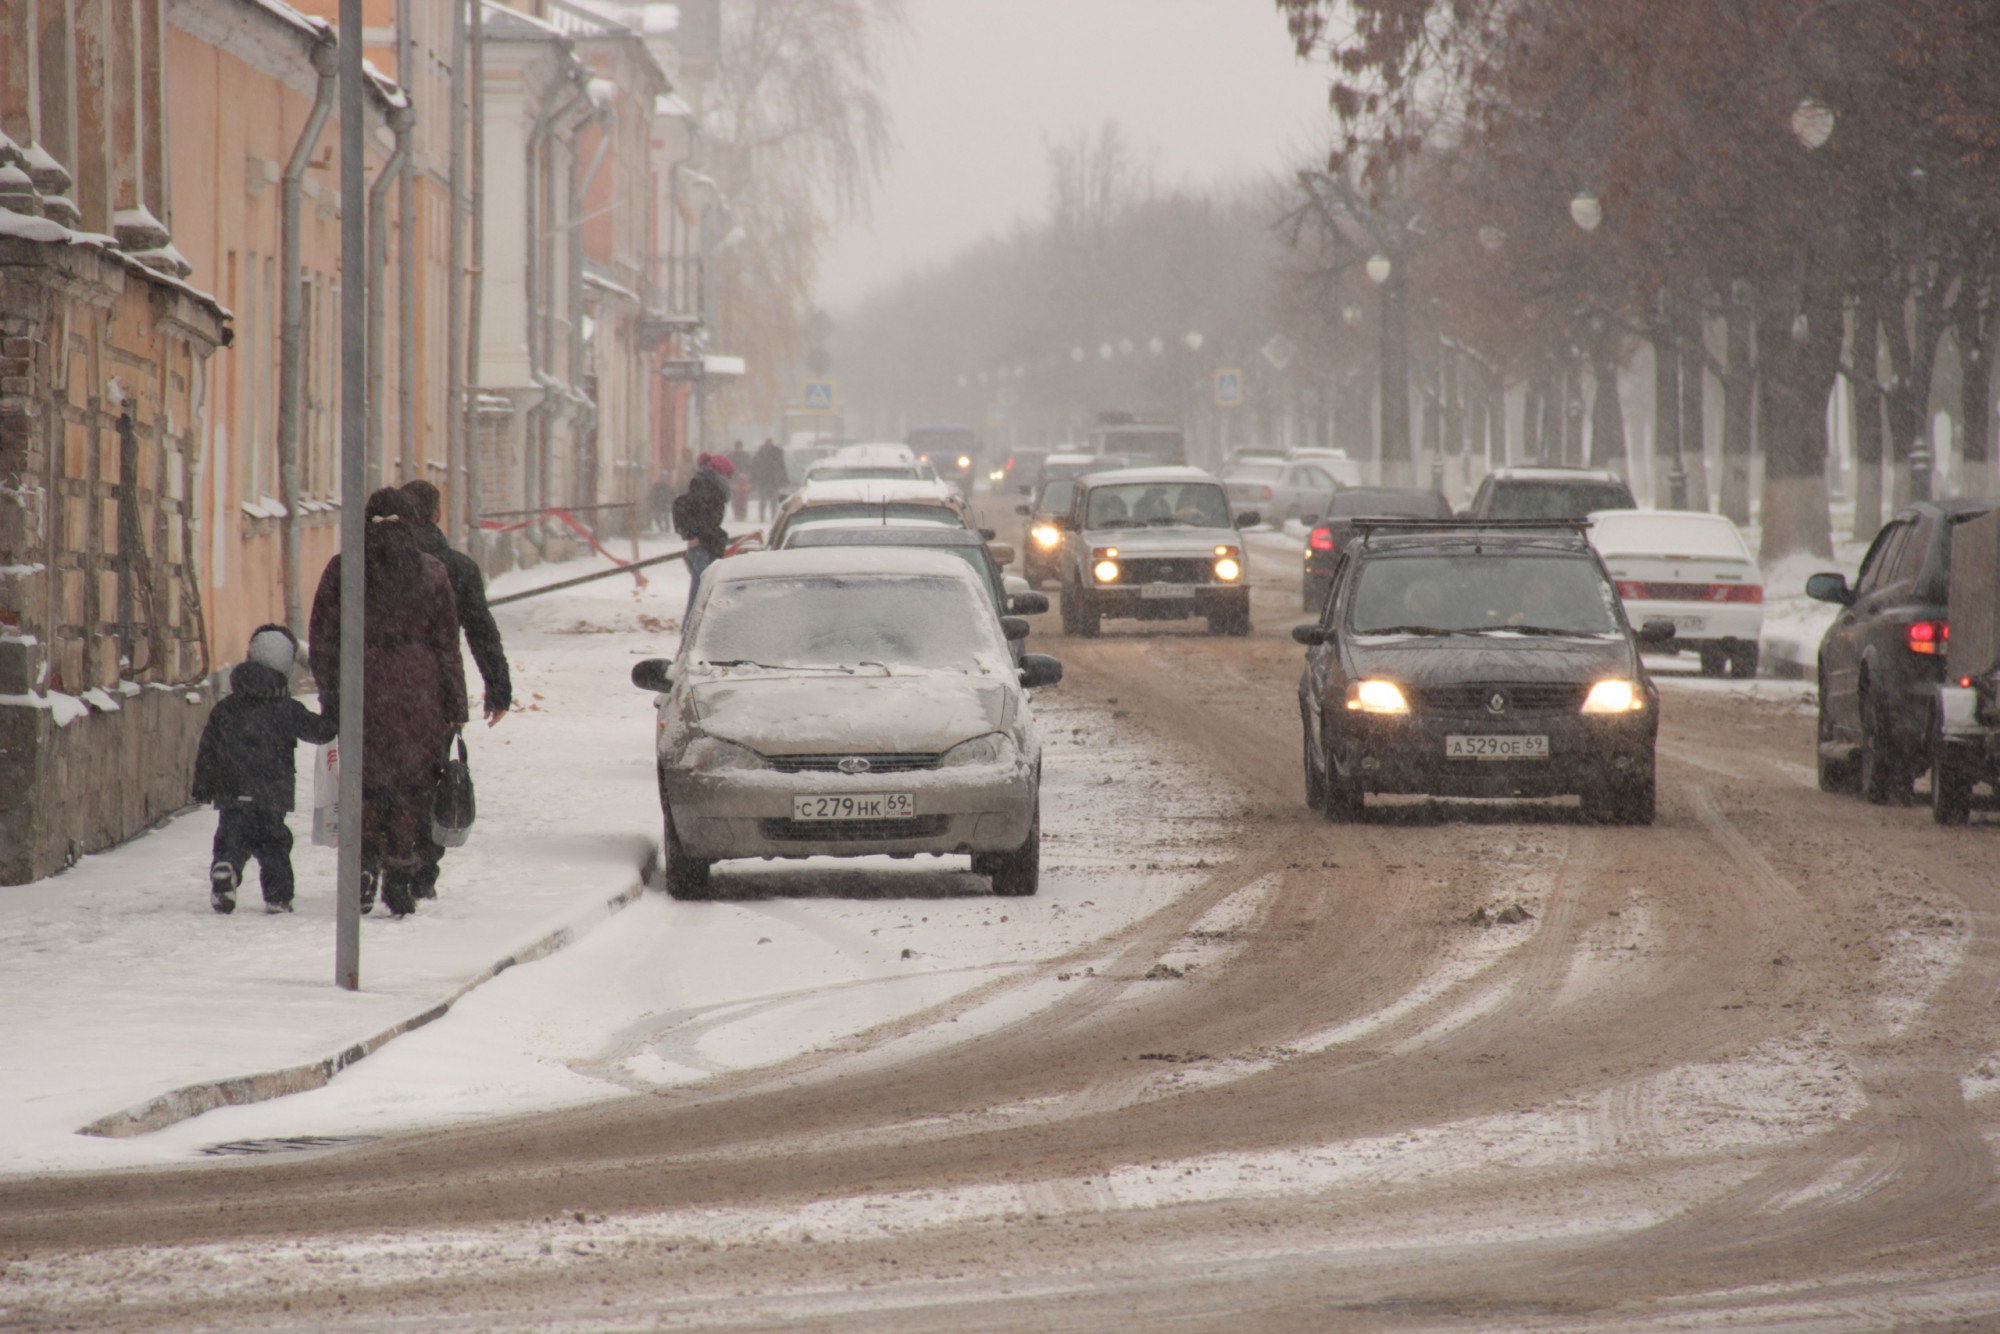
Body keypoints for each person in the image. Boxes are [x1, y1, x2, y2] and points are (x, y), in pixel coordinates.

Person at [308, 488, 469, 918]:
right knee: (412, 788)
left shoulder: (344, 570)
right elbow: (447, 645)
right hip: (420, 690)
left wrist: (332, 693)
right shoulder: (432, 573)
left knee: (365, 782)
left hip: (363, 684)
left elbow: (323, 640)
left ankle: (362, 865)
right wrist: (456, 706)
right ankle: (401, 874)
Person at [402, 479, 511, 900]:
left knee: (382, 775)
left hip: (379, 692)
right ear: (437, 515)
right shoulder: (456, 567)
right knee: (431, 777)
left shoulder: (371, 563)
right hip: (436, 692)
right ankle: (422, 868)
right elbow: (481, 631)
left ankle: (380, 856)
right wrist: (497, 688)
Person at [192, 624, 338, 914]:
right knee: (275, 847)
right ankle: (278, 897)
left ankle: (226, 868)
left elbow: (208, 749)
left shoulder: (226, 708)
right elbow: (322, 731)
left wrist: (203, 787)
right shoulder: (286, 710)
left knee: (231, 837)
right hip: (271, 796)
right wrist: (334, 705)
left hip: (232, 794)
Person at [672, 453, 732, 622]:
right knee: (703, 596)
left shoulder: (706, 486)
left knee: (699, 594)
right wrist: (697, 535)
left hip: (703, 546)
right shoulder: (712, 491)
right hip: (704, 548)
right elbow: (707, 520)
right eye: (728, 475)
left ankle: (691, 631)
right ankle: (694, 631)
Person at [751, 437, 786, 520]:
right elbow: (781, 467)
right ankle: (767, 517)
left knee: (769, 501)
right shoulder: (774, 453)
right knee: (767, 501)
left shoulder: (762, 453)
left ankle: (768, 517)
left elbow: (781, 467)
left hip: (769, 481)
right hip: (768, 481)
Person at [726, 440, 753, 521]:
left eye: (740, 447)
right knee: (735, 498)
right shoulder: (732, 456)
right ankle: (737, 513)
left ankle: (743, 514)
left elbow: (750, 467)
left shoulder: (745, 456)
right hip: (735, 479)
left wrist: (747, 476)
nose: (739, 448)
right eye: (738, 447)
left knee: (744, 498)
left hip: (744, 479)